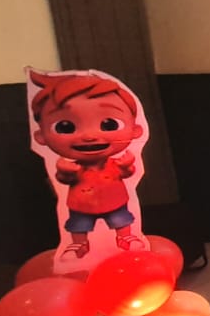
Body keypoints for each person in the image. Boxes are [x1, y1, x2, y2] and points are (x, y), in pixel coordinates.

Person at [30, 70, 146, 259]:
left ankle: (126, 237)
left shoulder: (114, 163)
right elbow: (63, 179)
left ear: (136, 130)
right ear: (40, 136)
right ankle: (78, 244)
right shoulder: (68, 165)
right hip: (81, 204)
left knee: (121, 219)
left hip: (114, 200)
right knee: (78, 224)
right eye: (65, 126)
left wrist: (126, 165)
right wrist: (66, 172)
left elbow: (127, 173)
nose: (89, 136)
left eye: (109, 124)